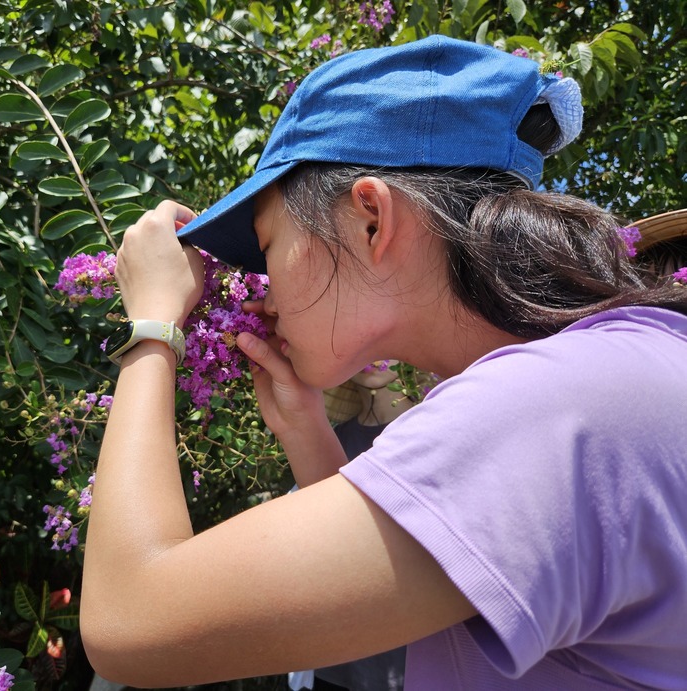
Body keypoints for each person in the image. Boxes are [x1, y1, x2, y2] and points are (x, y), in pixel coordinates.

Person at [80, 35, 687, 689]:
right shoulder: (601, 376)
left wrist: (153, 329)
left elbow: (129, 622)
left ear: (370, 218)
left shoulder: (547, 408)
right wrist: (308, 435)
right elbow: (408, 594)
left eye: (269, 246)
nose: (265, 291)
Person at [290, 362, 414, 691]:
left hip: (410, 665)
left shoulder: (433, 432)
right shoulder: (327, 441)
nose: (374, 357)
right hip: (335, 666)